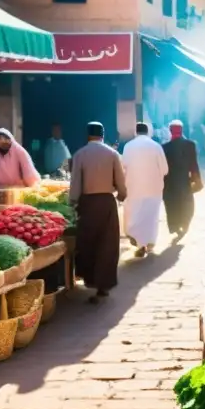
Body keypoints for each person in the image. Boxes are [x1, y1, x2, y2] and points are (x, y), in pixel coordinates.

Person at [69, 122, 127, 303]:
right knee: (107, 244)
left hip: (88, 204)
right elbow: (120, 181)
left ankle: (91, 280)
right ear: (103, 134)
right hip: (107, 202)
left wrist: (73, 202)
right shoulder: (112, 154)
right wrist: (122, 196)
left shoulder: (80, 154)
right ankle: (104, 285)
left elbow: (75, 184)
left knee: (89, 243)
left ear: (88, 135)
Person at [122, 122, 168, 258]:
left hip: (134, 188)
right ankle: (150, 243)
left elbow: (124, 166)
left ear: (135, 132)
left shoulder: (128, 146)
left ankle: (140, 244)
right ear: (148, 132)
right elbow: (165, 169)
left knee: (136, 215)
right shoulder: (156, 146)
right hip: (154, 189)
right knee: (151, 217)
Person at [162, 120, 202, 241]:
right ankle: (185, 223)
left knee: (172, 205)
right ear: (182, 130)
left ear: (170, 131)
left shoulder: (165, 147)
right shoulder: (190, 145)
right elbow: (194, 164)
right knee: (187, 204)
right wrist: (197, 179)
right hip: (185, 180)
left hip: (169, 182)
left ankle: (175, 226)